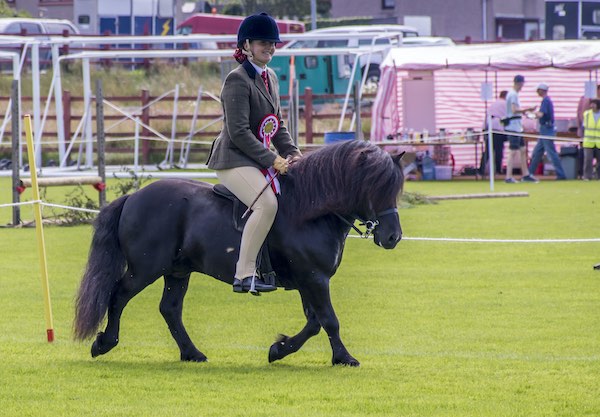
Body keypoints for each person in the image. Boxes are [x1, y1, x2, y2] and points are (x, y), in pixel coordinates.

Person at [207, 13, 302, 294]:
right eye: (264, 43)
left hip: (256, 158)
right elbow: (238, 132)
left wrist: (294, 154)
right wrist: (272, 159)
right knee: (266, 204)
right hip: (233, 159)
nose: (270, 48)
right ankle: (245, 275)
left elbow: (276, 125)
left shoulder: (270, 76)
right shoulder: (236, 80)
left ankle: (272, 266)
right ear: (246, 45)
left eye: (273, 43)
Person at [527, 83, 566, 181]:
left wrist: (531, 114)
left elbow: (541, 114)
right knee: (537, 153)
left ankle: (561, 174)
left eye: (538, 90)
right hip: (545, 129)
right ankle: (529, 173)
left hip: (546, 130)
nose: (537, 92)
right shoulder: (547, 101)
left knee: (551, 153)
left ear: (542, 90)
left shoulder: (545, 101)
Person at [504, 74, 538, 183]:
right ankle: (508, 176)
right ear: (519, 83)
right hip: (513, 126)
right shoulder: (513, 94)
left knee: (523, 150)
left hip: (517, 126)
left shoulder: (513, 94)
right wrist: (527, 109)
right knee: (513, 151)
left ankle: (525, 174)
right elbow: (514, 110)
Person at [480, 90, 508, 175]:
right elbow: (508, 117)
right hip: (497, 128)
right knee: (498, 150)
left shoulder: (494, 104)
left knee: (488, 151)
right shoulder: (505, 104)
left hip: (489, 127)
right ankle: (498, 170)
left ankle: (481, 169)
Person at [581, 98, 600, 180]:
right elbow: (584, 126)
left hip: (599, 142)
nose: (592, 105)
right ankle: (587, 176)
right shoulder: (587, 114)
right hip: (588, 142)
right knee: (588, 160)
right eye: (591, 103)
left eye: (594, 104)